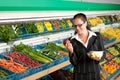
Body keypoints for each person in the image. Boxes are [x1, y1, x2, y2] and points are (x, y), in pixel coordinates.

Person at [65, 13, 105, 80]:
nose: (77, 28)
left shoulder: (97, 37)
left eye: (80, 25)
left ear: (85, 23)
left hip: (94, 74)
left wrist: (99, 58)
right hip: (80, 75)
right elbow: (74, 63)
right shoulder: (72, 41)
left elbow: (103, 55)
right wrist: (71, 51)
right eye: (75, 26)